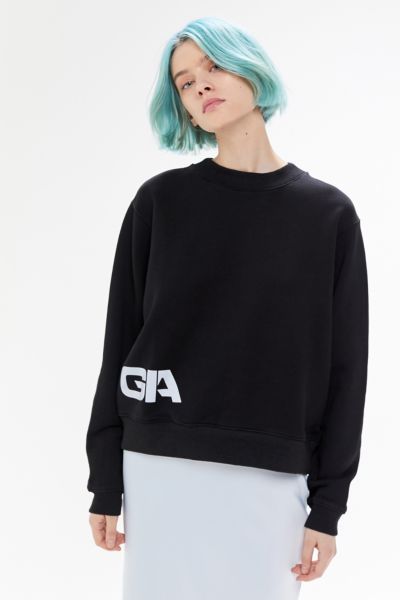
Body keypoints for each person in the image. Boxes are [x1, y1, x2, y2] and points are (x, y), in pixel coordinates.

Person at [86, 16, 369, 600]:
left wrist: (329, 505)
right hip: (159, 461)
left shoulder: (328, 216)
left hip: (273, 473)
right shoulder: (160, 203)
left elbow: (347, 369)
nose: (201, 87)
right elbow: (121, 341)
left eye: (213, 66)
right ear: (185, 110)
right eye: (186, 83)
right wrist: (106, 481)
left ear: (251, 70)